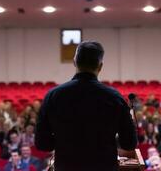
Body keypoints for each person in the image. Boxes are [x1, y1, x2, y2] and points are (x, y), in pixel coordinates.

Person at [35, 41, 137, 171]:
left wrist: (65, 140)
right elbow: (129, 144)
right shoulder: (114, 98)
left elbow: (43, 144)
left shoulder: (53, 96)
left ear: (74, 62)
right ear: (100, 66)